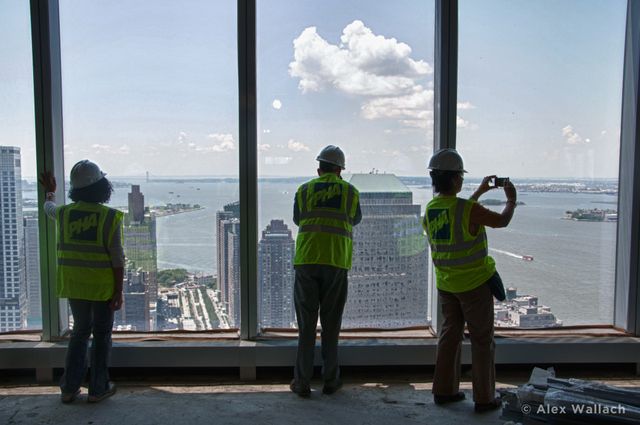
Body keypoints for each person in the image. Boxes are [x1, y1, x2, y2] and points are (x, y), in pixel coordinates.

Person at [423, 148, 517, 413]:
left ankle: (444, 391)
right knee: (482, 340)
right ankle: (485, 398)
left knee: (449, 336)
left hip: (447, 285)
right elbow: (501, 221)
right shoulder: (467, 209)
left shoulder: (431, 209)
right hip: (474, 285)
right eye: (460, 178)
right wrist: (511, 200)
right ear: (455, 180)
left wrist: (479, 192)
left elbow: (457, 213)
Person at [39, 160, 124, 404]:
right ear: (102, 187)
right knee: (101, 334)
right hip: (102, 288)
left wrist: (51, 191)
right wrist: (119, 291)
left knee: (79, 333)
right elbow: (117, 257)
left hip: (75, 286)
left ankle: (69, 387)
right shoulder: (109, 217)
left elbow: (48, 207)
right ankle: (98, 388)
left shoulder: (64, 214)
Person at [290, 145, 362, 398]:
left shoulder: (304, 190)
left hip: (307, 261)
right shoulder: (350, 192)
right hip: (335, 262)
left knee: (306, 327)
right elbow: (355, 219)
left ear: (318, 169)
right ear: (340, 170)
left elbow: (299, 219)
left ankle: (302, 383)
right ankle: (331, 380)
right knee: (331, 326)